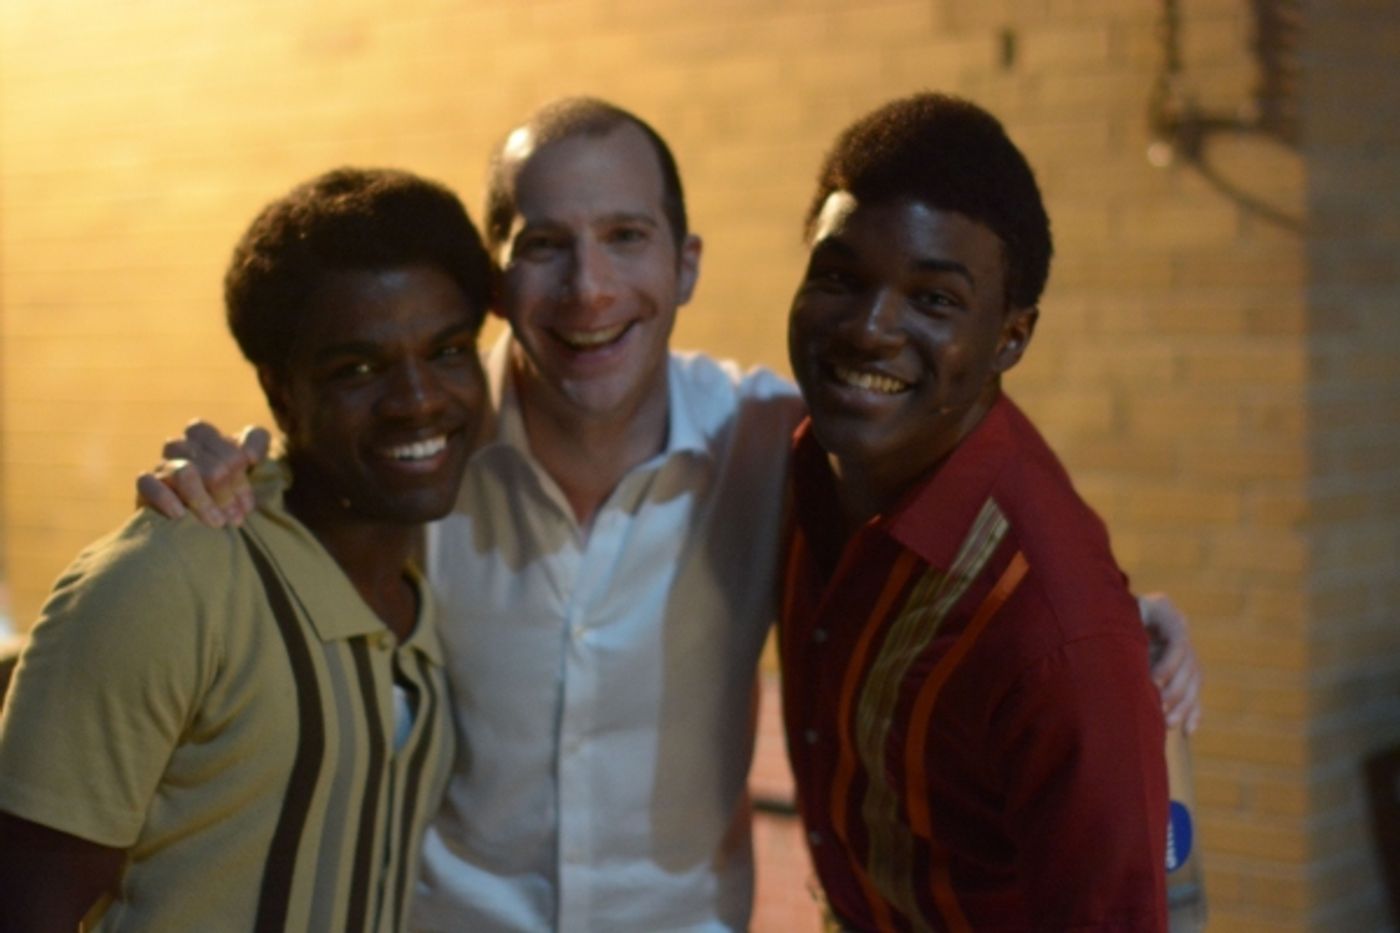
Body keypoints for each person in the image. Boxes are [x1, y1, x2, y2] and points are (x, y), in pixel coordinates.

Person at [137, 98, 1201, 931]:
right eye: (545, 245)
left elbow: (976, 527)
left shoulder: (771, 443)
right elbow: (306, 451)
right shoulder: (420, 451)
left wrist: (1118, 628)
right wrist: (222, 474)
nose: (589, 289)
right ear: (496, 281)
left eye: (626, 236)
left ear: (686, 264)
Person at [0, 167, 493, 932]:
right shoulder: (169, 582)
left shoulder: (435, 584)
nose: (418, 398)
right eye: (358, 368)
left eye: (449, 350)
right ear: (280, 391)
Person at [780, 92, 1170, 930]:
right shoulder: (791, 458)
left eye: (934, 300)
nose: (870, 328)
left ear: (1010, 338)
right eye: (840, 277)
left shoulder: (1054, 627)